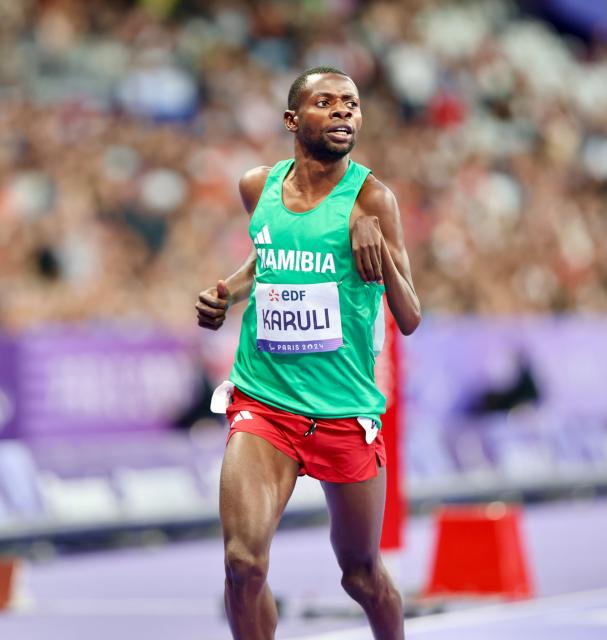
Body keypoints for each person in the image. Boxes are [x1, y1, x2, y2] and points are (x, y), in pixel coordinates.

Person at [196, 66, 421, 640]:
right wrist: (228, 292)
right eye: (328, 102)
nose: (345, 111)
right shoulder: (257, 185)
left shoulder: (372, 198)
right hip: (265, 401)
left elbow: (411, 317)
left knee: (361, 574)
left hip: (343, 410)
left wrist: (380, 252)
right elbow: (267, 258)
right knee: (243, 566)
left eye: (352, 103)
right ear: (294, 120)